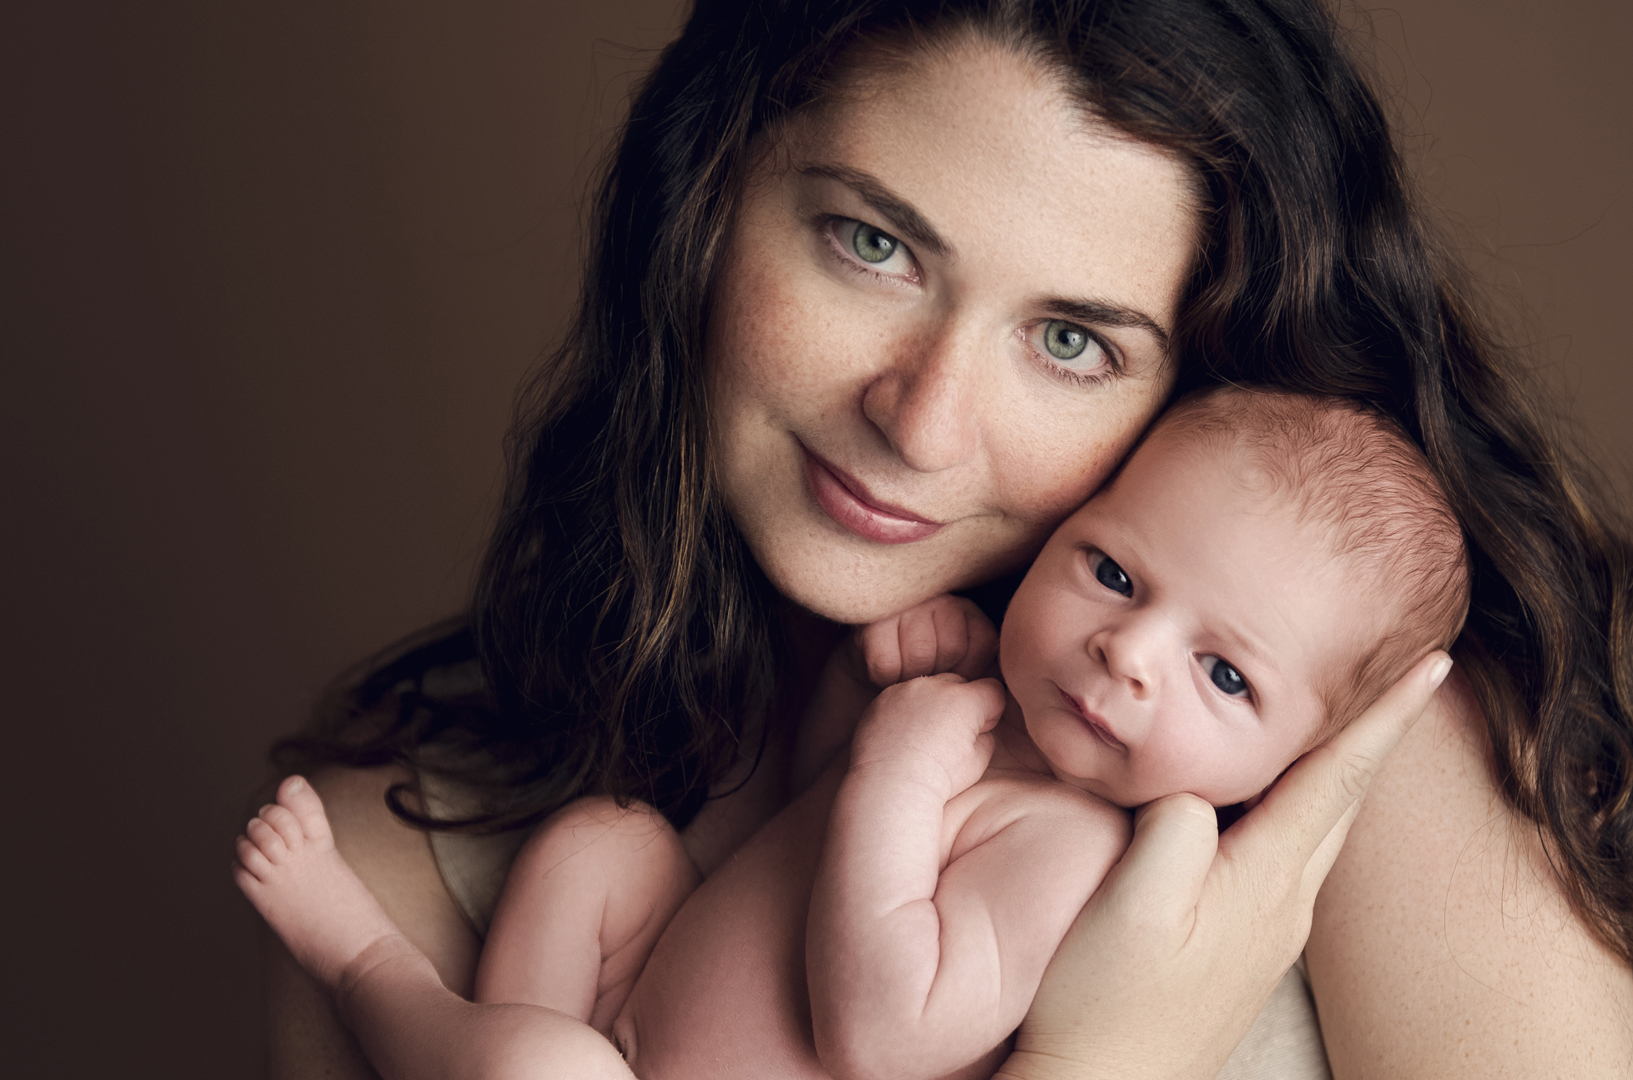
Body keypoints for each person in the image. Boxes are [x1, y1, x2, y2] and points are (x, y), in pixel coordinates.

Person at [261, 1, 1633, 1078]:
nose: (925, 419)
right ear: (707, 202)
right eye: (872, 243)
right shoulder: (398, 848)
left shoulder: (1360, 764)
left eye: (1074, 340)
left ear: (1198, 374)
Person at [239, 388, 1469, 1080]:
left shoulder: (1088, 862)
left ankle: (372, 971)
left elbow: (879, 1029)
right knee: (606, 842)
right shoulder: (993, 705)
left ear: (1298, 766)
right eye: (1112, 570)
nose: (1127, 653)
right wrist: (863, 706)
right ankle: (516, 1040)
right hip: (630, 1004)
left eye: (1222, 674)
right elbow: (804, 817)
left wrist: (901, 762)